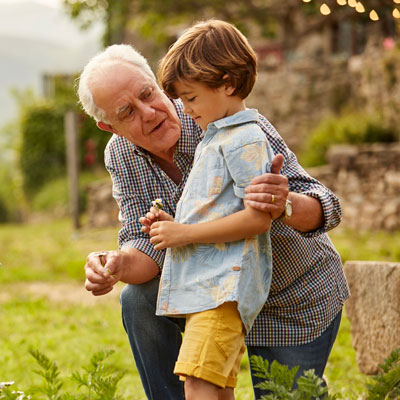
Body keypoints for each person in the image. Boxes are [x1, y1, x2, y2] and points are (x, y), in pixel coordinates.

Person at [78, 28, 349, 400]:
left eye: (147, 94)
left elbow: (324, 203)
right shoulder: (121, 155)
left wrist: (283, 203)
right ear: (110, 126)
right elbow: (147, 243)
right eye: (128, 112)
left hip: (288, 298)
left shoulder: (226, 118)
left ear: (158, 85)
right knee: (138, 299)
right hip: (213, 298)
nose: (149, 112)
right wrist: (117, 263)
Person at [137, 20, 274, 400]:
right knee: (212, 386)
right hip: (208, 288)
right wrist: (172, 225)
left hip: (223, 289)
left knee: (197, 384)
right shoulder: (217, 136)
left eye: (191, 98)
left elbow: (258, 218)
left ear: (228, 83)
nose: (185, 109)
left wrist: (184, 234)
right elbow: (217, 209)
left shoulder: (245, 138)